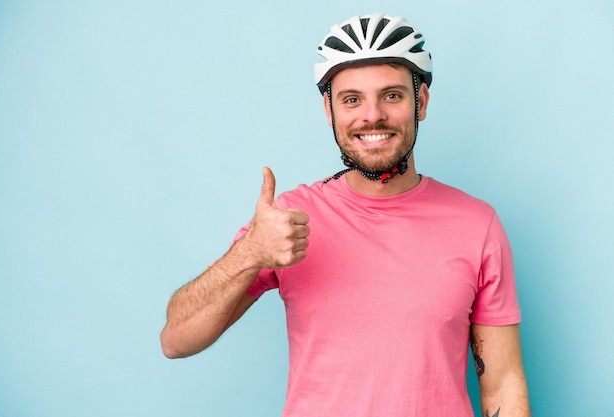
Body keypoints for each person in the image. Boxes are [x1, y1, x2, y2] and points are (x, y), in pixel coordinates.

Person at [160, 12, 531, 417]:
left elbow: (502, 385)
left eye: (392, 95)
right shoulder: (288, 219)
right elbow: (176, 339)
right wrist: (250, 252)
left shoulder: (477, 225)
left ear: (420, 101)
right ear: (329, 109)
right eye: (352, 99)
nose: (372, 115)